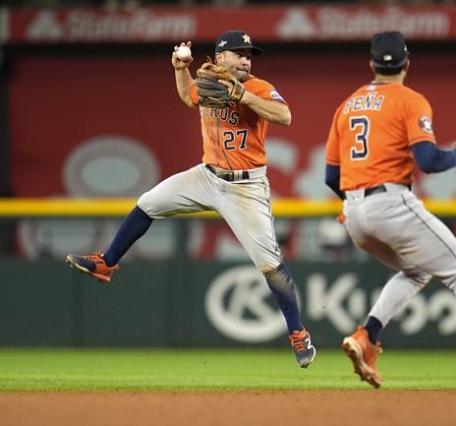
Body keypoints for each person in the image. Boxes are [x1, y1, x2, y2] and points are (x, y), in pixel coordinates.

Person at [66, 30, 316, 368]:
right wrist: (180, 68)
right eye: (238, 53)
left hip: (246, 186)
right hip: (206, 175)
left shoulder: (257, 87)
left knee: (270, 266)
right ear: (220, 56)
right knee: (148, 202)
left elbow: (284, 116)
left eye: (249, 54)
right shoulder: (210, 80)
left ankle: (297, 332)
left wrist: (243, 95)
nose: (245, 59)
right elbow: (188, 97)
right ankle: (107, 263)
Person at [324, 31, 456, 395]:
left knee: (416, 271)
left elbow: (331, 176)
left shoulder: (347, 104)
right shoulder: (409, 100)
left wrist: (354, 203)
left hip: (353, 212)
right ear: (407, 63)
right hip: (389, 201)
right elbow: (429, 161)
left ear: (371, 64)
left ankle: (367, 335)